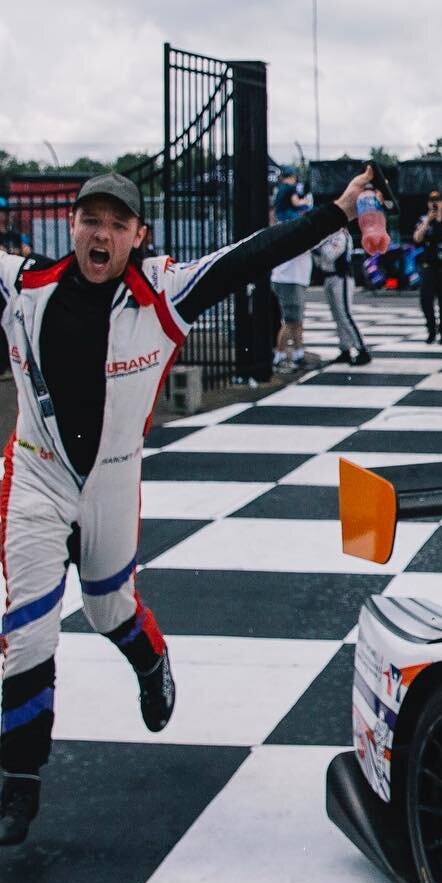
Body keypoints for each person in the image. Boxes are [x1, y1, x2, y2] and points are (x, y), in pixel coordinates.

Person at [0, 164, 378, 845]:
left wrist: (338, 212)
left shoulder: (162, 294)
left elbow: (250, 255)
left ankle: (150, 662)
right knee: (28, 629)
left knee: (107, 607)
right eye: (92, 220)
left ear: (137, 237)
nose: (102, 235)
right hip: (35, 474)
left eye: (118, 225)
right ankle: (19, 781)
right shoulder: (24, 285)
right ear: (73, 226)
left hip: (111, 480)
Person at [271, 167, 315, 371]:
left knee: (296, 320)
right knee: (291, 321)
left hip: (295, 278)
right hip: (289, 279)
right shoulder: (291, 228)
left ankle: (297, 354)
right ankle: (280, 356)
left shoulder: (289, 225)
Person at [314, 223, 371, 366]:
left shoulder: (340, 235)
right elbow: (320, 261)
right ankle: (345, 349)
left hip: (341, 277)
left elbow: (329, 255)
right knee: (337, 315)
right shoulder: (328, 236)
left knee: (345, 314)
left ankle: (362, 349)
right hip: (329, 276)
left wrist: (316, 248)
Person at [413, 190, 442, 343]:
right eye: (432, 201)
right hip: (429, 265)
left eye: (437, 201)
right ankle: (431, 328)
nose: (435, 204)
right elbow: (417, 238)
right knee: (426, 300)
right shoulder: (423, 220)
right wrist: (427, 221)